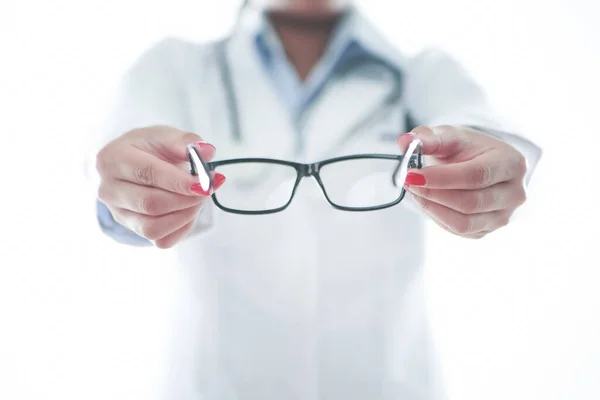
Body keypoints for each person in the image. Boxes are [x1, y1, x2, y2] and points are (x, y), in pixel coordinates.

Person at [92, 0, 542, 398]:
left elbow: (476, 125)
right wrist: (134, 191)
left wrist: (485, 172)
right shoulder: (178, 68)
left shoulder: (421, 75)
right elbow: (124, 158)